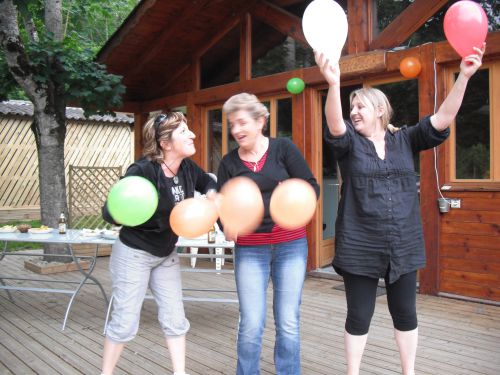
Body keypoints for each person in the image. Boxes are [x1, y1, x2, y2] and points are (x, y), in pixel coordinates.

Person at [315, 44, 485, 375]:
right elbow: (335, 125)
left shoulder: (405, 140)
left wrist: (463, 76)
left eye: (360, 106)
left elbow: (443, 118)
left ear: (380, 110)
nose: (354, 113)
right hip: (360, 244)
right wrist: (334, 84)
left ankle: (409, 372)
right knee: (359, 315)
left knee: (405, 313)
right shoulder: (349, 144)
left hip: (403, 242)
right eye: (352, 108)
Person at [100, 112, 216, 375]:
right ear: (165, 143)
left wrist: (210, 193)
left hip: (166, 253)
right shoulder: (142, 170)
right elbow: (110, 211)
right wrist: (118, 211)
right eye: (184, 131)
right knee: (125, 321)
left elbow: (207, 180)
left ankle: (180, 373)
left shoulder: (187, 168)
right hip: (134, 254)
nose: (193, 135)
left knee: (175, 318)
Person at [217, 93, 320, 375]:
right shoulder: (228, 163)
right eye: (231, 124)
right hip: (250, 249)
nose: (236, 130)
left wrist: (294, 203)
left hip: (290, 245)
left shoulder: (283, 149)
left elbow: (311, 187)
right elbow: (222, 208)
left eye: (241, 122)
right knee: (251, 322)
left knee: (288, 321)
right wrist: (226, 225)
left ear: (260, 121)